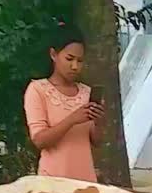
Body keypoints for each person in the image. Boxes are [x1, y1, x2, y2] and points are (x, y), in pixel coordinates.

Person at [24, 23, 105, 182]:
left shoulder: (86, 93)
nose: (75, 66)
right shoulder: (38, 90)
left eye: (80, 61)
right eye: (69, 59)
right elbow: (40, 140)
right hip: (52, 184)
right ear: (53, 54)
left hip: (85, 182)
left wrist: (100, 122)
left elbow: (97, 141)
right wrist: (73, 119)